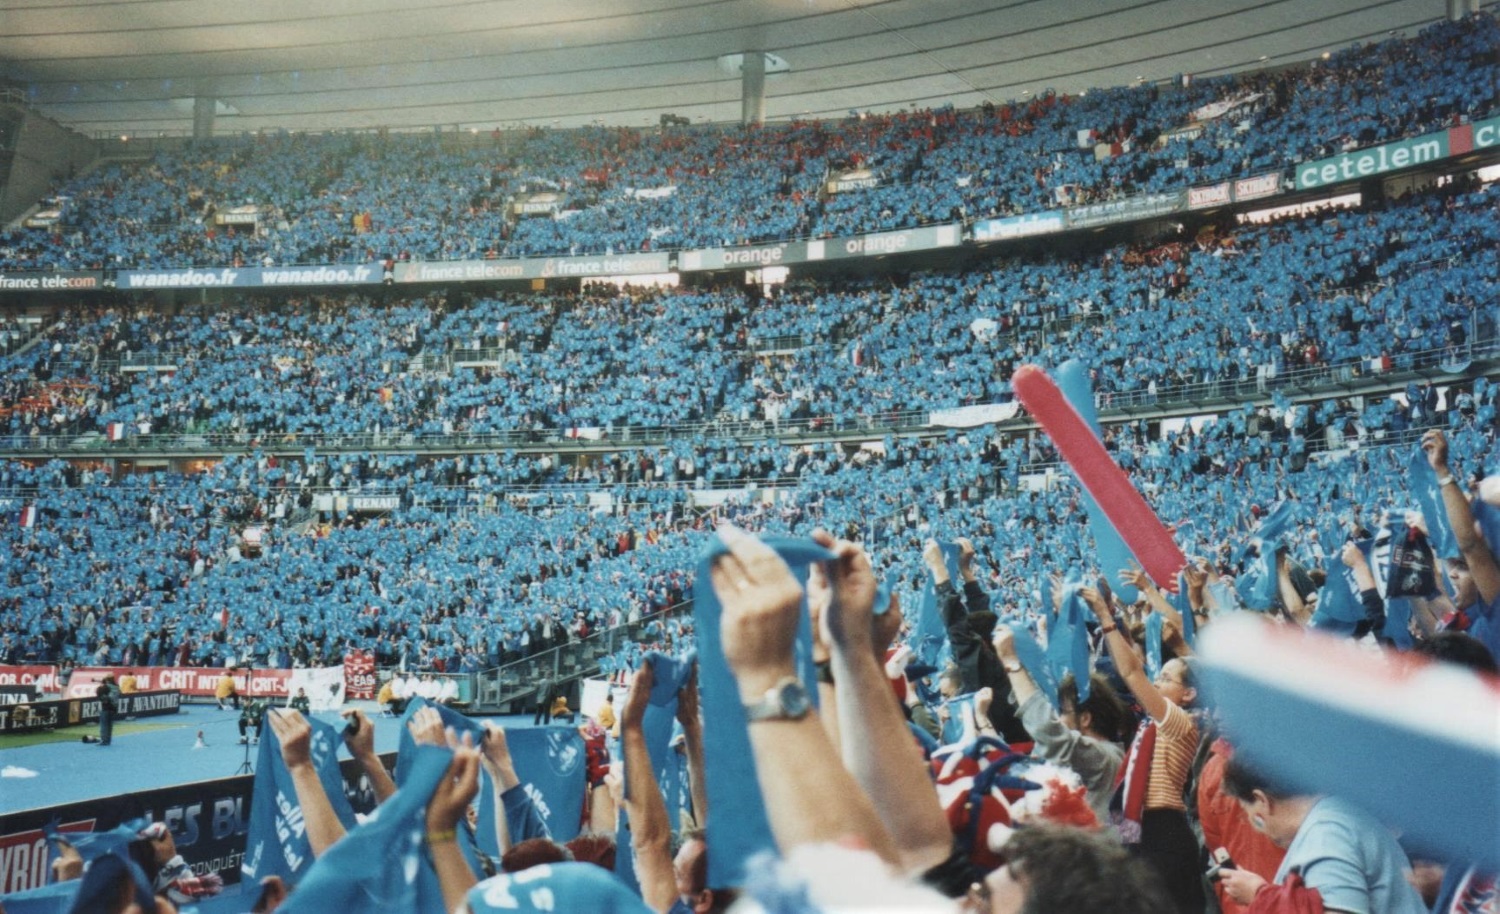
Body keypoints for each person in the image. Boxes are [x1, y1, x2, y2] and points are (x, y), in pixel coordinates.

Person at [1082, 585, 1206, 914]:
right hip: (1141, 831)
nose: (1157, 682)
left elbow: (1131, 671)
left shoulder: (1179, 721)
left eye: (1165, 678)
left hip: (1163, 832)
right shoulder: (1153, 725)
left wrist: (1105, 617)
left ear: (1189, 695)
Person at [1218, 756, 1427, 914]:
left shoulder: (1327, 835)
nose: (1256, 827)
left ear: (1262, 800)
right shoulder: (1335, 815)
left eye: (1250, 816)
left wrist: (1261, 896)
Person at [991, 624, 1127, 825]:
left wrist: (1012, 663)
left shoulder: (1105, 759)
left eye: (1062, 712)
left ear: (1085, 718)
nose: (1057, 719)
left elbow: (1051, 734)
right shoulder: (1099, 758)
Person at [95, 673, 119, 746]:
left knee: (104, 725)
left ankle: (104, 740)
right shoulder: (117, 686)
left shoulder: (105, 687)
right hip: (114, 707)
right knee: (109, 725)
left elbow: (99, 693)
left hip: (106, 707)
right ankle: (108, 740)